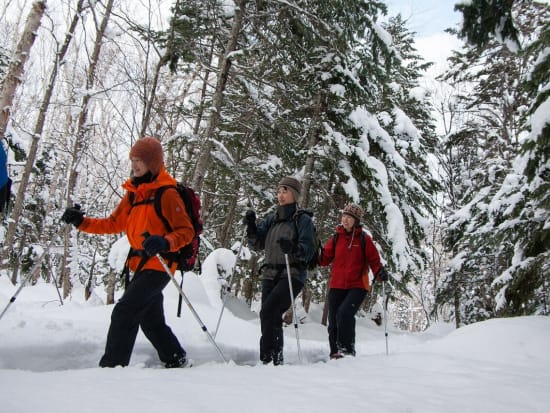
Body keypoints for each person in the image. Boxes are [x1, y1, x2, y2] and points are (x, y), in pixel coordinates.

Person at [61, 136, 194, 368]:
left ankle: (112, 369)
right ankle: (176, 358)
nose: (134, 165)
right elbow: (113, 223)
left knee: (124, 312)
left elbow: (186, 231)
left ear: (152, 162)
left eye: (139, 160)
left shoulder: (167, 193)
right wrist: (81, 222)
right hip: (140, 264)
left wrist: (164, 242)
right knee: (150, 320)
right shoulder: (135, 192)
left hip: (160, 264)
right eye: (132, 159)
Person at [244, 176, 315, 365]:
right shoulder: (272, 219)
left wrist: (292, 248)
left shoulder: (303, 220)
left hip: (292, 274)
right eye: (279, 191)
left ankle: (268, 359)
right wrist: (251, 226)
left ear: (295, 195)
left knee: (269, 311)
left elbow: (308, 250)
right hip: (269, 273)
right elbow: (257, 243)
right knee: (270, 315)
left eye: (285, 191)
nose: (281, 195)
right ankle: (273, 359)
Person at [318, 203, 388, 359]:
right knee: (334, 319)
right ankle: (335, 352)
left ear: (356, 221)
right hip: (337, 285)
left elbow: (374, 261)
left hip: (357, 285)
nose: (345, 220)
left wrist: (379, 272)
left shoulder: (364, 239)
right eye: (344, 216)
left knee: (345, 314)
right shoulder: (336, 238)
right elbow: (323, 259)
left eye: (349, 217)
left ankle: (347, 350)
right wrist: (315, 251)